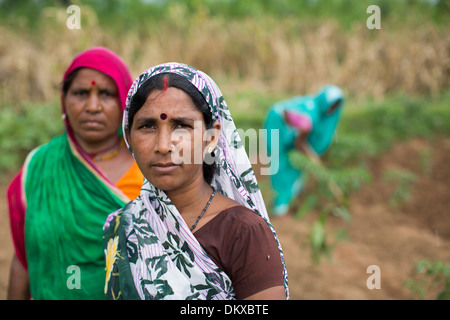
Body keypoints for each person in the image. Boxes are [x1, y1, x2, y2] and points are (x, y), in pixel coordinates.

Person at [103, 62, 289, 300]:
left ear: (212, 137)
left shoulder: (244, 234)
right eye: (147, 126)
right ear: (128, 135)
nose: (162, 146)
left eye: (181, 126)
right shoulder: (122, 225)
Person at [6, 47, 144, 299]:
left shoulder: (150, 169)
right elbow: (25, 257)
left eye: (106, 94)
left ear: (124, 99)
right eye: (81, 93)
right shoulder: (38, 166)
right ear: (64, 99)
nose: (93, 106)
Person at [263, 85, 345, 217]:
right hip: (277, 126)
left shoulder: (322, 115)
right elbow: (299, 139)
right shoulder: (309, 115)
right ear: (324, 101)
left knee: (295, 162)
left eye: (335, 106)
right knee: (280, 162)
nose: (332, 109)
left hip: (294, 131)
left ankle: (292, 194)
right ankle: (279, 205)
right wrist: (306, 148)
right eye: (331, 105)